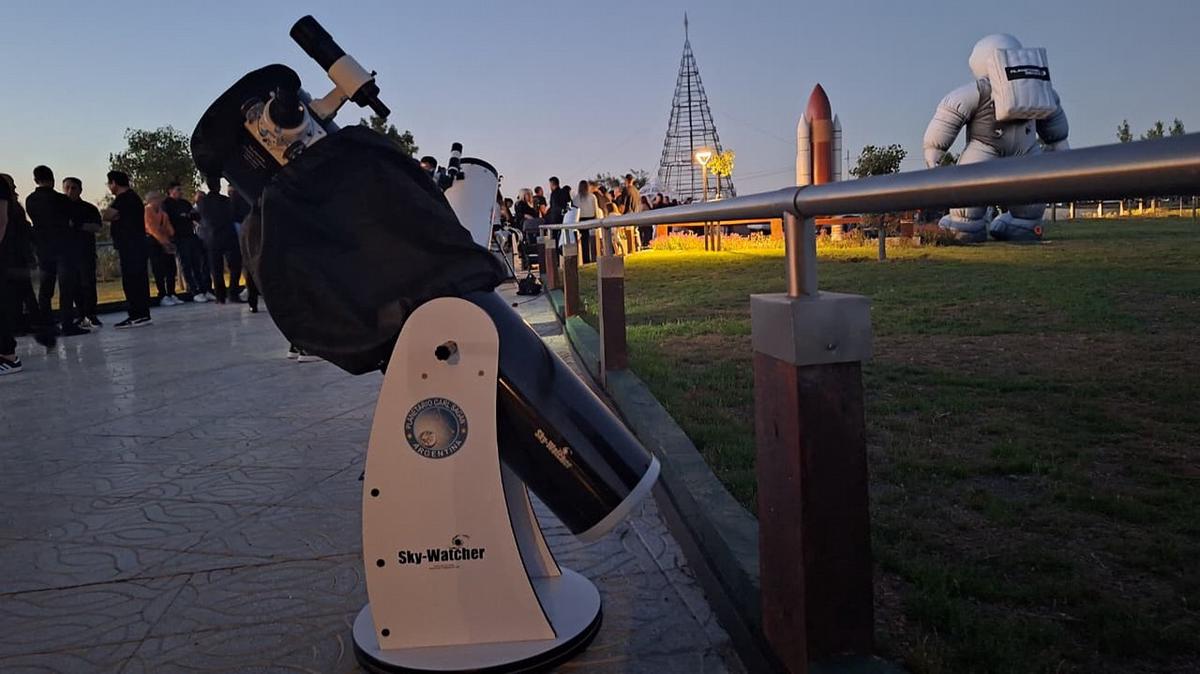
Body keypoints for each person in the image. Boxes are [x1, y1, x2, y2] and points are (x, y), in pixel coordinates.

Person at [25, 165, 87, 336]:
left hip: (43, 248)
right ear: (52, 179)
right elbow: (72, 219)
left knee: (46, 289)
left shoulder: (30, 200)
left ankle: (46, 323)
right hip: (64, 247)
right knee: (66, 288)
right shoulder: (62, 200)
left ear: (35, 180)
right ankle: (67, 323)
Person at [102, 170, 152, 328]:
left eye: (109, 183)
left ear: (114, 183)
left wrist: (114, 216)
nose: (109, 187)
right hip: (136, 244)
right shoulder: (133, 197)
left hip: (130, 246)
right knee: (139, 279)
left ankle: (137, 314)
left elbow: (107, 215)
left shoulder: (124, 198)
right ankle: (142, 313)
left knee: (132, 280)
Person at [1, 174, 40, 335]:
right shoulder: (14, 205)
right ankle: (31, 322)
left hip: (12, 256)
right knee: (23, 291)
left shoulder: (10, 206)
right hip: (17, 255)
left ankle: (20, 324)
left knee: (17, 292)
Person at [62, 177, 103, 327]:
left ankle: (91, 314)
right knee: (73, 286)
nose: (69, 191)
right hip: (67, 253)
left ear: (80, 190)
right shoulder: (60, 209)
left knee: (88, 284)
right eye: (67, 188)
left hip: (85, 252)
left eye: (73, 188)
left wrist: (78, 225)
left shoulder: (88, 208)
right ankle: (80, 314)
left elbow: (97, 227)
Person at [197, 176, 241, 304]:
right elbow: (233, 214)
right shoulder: (226, 201)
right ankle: (233, 293)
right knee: (235, 266)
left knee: (216, 268)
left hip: (212, 238)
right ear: (219, 186)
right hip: (228, 235)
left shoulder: (202, 202)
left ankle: (220, 296)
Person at [163, 182, 209, 302]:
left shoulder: (185, 203)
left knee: (197, 264)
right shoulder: (166, 204)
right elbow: (169, 220)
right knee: (186, 264)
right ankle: (194, 291)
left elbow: (195, 215)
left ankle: (204, 290)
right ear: (170, 191)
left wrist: (188, 216)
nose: (181, 192)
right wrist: (183, 216)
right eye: (178, 190)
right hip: (179, 237)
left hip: (190, 235)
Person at [143, 191, 180, 306]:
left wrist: (171, 238)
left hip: (165, 242)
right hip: (153, 243)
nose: (159, 201)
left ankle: (171, 293)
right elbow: (152, 229)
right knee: (158, 269)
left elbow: (169, 228)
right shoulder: (147, 211)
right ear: (151, 200)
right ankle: (162, 295)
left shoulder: (163, 213)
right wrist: (165, 242)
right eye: (157, 198)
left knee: (171, 268)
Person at [573, 179, 600, 263]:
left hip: (581, 221)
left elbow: (574, 212)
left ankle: (586, 260)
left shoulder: (576, 198)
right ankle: (594, 258)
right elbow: (596, 209)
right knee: (593, 240)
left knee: (584, 242)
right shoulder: (592, 197)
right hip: (591, 219)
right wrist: (597, 220)